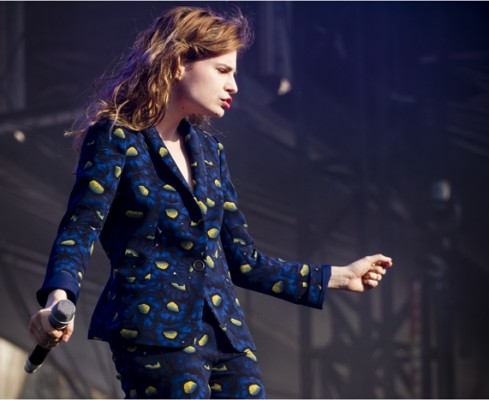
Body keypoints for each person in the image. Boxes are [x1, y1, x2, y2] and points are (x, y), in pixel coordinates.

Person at [28, 5, 393, 399]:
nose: (234, 84)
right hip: (154, 335)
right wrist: (58, 300)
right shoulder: (117, 136)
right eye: (223, 71)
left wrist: (339, 276)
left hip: (226, 335)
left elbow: (245, 261)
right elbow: (80, 227)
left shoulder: (209, 151)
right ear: (178, 62)